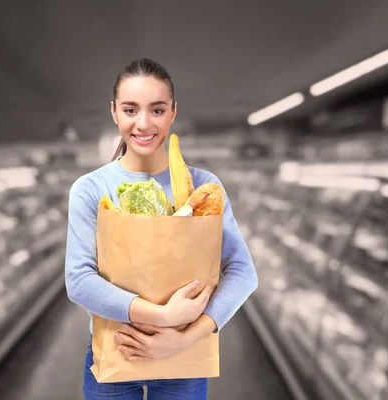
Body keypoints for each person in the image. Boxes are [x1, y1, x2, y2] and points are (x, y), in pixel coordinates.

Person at [65, 57, 258, 400]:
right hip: (114, 355)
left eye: (156, 110)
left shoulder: (203, 187)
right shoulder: (91, 189)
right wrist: (164, 316)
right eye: (129, 109)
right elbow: (79, 281)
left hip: (182, 360)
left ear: (173, 112)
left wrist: (184, 337)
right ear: (114, 112)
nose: (143, 123)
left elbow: (244, 272)